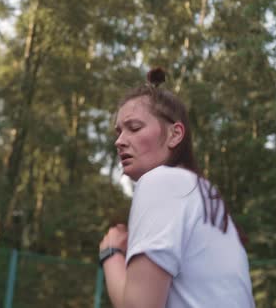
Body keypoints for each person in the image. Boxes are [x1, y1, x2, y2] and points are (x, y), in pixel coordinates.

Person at [98, 68, 255, 308]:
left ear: (175, 134)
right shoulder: (205, 194)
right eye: (119, 131)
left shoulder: (161, 182)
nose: (119, 141)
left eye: (135, 127)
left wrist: (110, 254)